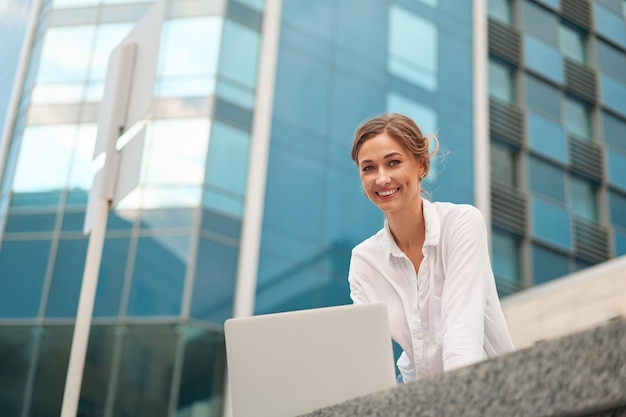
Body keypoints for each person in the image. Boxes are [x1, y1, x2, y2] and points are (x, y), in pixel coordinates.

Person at [348, 112, 515, 383]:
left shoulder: (462, 224)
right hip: (417, 391)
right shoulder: (364, 260)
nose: (381, 178)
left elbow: (461, 341)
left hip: (485, 386)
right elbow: (366, 356)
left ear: (421, 164)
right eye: (369, 168)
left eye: (393, 163)